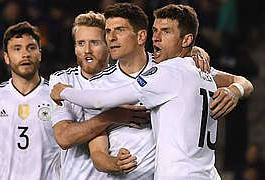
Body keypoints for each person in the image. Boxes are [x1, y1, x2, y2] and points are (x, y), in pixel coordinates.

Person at [51, 4, 254, 180]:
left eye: (119, 30)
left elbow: (98, 101)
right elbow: (95, 151)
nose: (111, 37)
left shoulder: (167, 70)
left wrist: (63, 91)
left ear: (140, 36)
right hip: (206, 173)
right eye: (107, 31)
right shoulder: (193, 67)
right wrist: (115, 163)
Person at [49, 11, 149, 180]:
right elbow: (64, 137)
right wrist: (112, 116)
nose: (87, 50)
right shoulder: (62, 81)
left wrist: (194, 52)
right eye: (80, 43)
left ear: (108, 44)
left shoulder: (124, 78)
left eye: (94, 43)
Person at [0, 21, 60, 180]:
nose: (25, 54)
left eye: (31, 48)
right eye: (17, 49)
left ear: (40, 54)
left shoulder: (57, 96)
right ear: (6, 57)